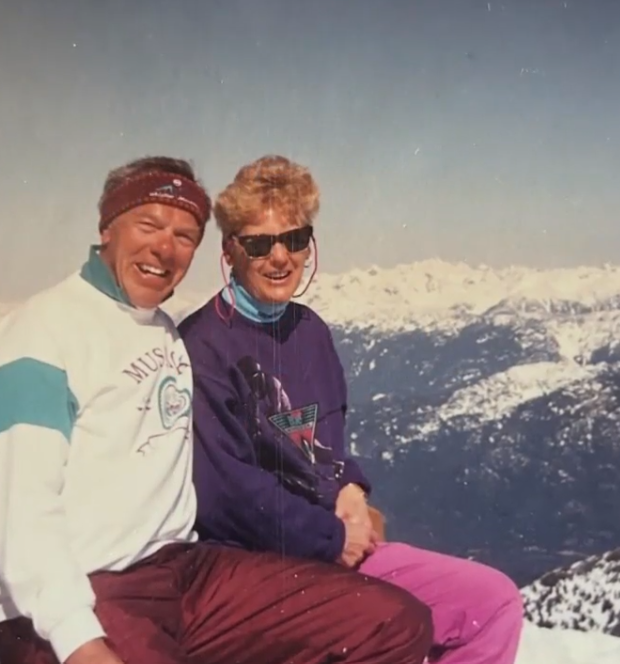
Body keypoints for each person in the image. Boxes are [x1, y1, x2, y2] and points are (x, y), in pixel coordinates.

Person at [0, 155, 434, 664]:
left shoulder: (160, 330)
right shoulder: (38, 334)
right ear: (108, 227)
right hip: (91, 596)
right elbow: (19, 515)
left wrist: (345, 492)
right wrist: (78, 641)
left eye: (185, 235)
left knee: (391, 625)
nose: (165, 248)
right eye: (149, 224)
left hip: (186, 575)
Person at [177, 155, 526, 664]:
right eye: (260, 243)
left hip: (332, 543)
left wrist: (351, 489)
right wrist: (331, 537)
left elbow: (325, 450)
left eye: (294, 239)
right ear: (230, 251)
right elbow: (225, 494)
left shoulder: (310, 332)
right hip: (256, 565)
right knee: (390, 621)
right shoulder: (205, 344)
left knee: (491, 603)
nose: (281, 257)